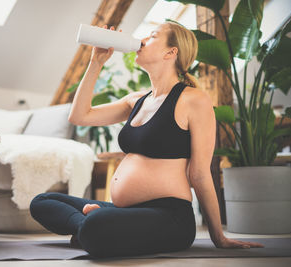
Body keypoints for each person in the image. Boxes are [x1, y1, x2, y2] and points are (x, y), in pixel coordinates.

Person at [30, 22, 265, 258]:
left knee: (97, 224)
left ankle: (88, 226)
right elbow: (79, 116)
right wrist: (96, 62)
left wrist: (218, 236)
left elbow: (200, 173)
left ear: (171, 52)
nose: (141, 39)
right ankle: (88, 226)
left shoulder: (193, 100)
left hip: (169, 217)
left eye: (152, 36)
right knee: (42, 201)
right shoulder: (136, 100)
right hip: (126, 212)